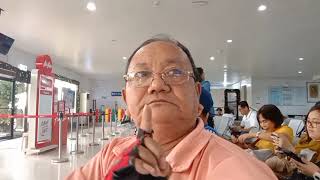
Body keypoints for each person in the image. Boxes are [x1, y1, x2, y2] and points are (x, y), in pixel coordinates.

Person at [66, 36, 277, 179]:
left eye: (175, 72)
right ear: (125, 99)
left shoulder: (238, 171)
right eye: (141, 75)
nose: (157, 85)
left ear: (197, 95)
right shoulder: (112, 153)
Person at [266, 105, 320, 179]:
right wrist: (284, 152)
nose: (309, 125)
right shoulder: (305, 139)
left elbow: (305, 167)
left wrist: (315, 173)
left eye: (315, 122)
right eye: (308, 121)